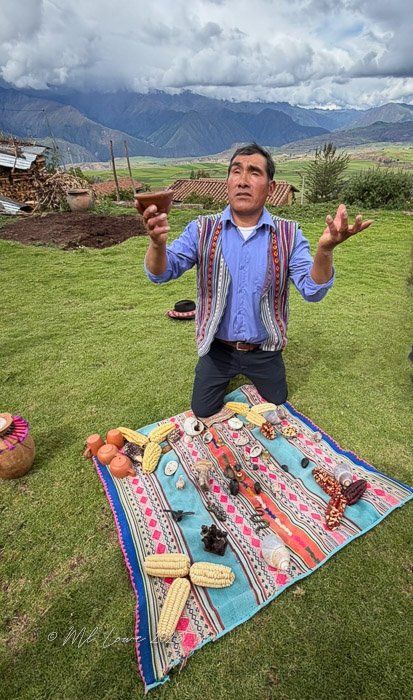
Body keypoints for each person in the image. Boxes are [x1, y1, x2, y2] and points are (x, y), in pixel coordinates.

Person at [137, 143, 372, 419]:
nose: (243, 181)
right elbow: (161, 272)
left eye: (254, 173)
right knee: (202, 410)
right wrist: (156, 243)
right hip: (217, 349)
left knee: (277, 402)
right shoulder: (202, 229)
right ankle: (224, 372)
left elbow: (312, 290)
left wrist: (325, 251)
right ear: (227, 182)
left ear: (270, 188)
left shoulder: (288, 234)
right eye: (236, 172)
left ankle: (257, 371)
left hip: (264, 351)